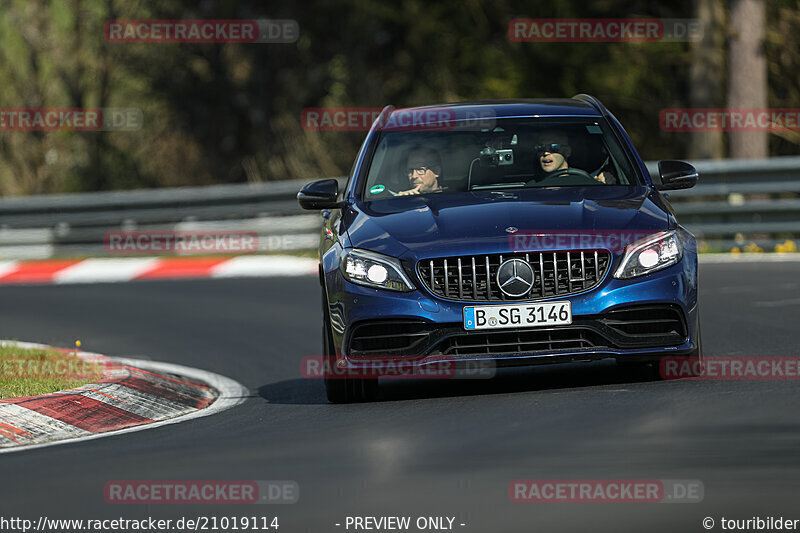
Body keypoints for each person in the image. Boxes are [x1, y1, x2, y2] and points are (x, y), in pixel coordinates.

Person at [533, 130, 610, 185]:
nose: (546, 153)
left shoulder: (590, 185)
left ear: (567, 152)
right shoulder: (530, 188)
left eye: (553, 147)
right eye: (541, 148)